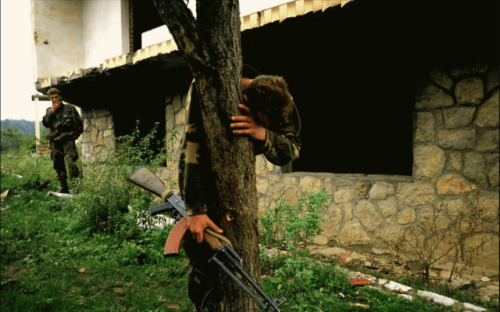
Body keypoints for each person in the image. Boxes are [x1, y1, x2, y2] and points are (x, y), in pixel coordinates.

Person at [178, 65, 301, 311]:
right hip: (207, 180)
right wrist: (194, 209)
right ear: (244, 100)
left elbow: (293, 149)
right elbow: (192, 147)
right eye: (260, 119)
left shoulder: (280, 98)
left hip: (239, 192)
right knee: (202, 259)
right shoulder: (205, 89)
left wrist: (263, 133)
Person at [42, 88, 83, 193]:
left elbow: (79, 125)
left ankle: (76, 187)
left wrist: (73, 136)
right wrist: (52, 112)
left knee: (71, 162)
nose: (55, 99)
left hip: (67, 141)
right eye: (52, 98)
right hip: (55, 141)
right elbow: (45, 123)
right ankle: (63, 187)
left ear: (60, 96)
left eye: (56, 97)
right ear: (50, 99)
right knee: (58, 164)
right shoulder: (49, 111)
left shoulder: (70, 109)